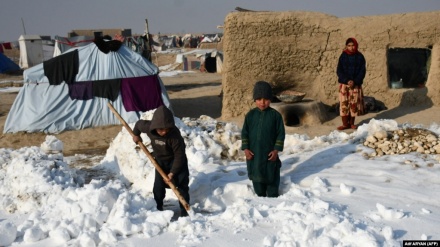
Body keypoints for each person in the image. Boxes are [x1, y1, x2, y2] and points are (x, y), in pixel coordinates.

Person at [132, 105, 190, 217]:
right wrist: (136, 135)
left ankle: (185, 212)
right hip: (160, 162)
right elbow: (139, 124)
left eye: (167, 129)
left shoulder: (175, 137)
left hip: (176, 161)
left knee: (182, 186)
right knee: (158, 187)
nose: (164, 132)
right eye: (161, 129)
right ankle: (158, 210)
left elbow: (180, 156)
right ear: (155, 127)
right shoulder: (149, 127)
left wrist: (172, 173)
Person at [241, 81, 285, 197]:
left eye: (266, 99)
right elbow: (244, 133)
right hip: (254, 154)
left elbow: (281, 134)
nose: (262, 102)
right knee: (258, 184)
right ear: (255, 99)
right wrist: (246, 149)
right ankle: (260, 196)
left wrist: (276, 150)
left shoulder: (275, 116)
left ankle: (273, 197)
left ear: (270, 99)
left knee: (272, 178)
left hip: (269, 154)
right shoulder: (250, 115)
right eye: (259, 99)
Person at [336, 37, 366, 130]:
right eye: (349, 46)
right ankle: (345, 124)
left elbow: (362, 71)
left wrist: (354, 81)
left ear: (356, 45)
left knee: (354, 104)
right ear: (346, 46)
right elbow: (339, 70)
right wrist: (347, 81)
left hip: (355, 85)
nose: (351, 47)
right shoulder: (343, 56)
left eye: (353, 45)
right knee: (344, 104)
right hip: (345, 85)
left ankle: (352, 123)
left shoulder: (360, 57)